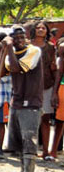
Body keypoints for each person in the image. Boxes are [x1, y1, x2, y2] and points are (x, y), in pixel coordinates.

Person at [4, 26, 43, 172]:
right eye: (16, 38)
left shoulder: (34, 51)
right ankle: (22, 171)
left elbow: (16, 68)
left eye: (22, 37)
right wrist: (5, 51)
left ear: (26, 37)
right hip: (17, 101)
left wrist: (8, 49)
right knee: (18, 140)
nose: (19, 40)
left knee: (29, 139)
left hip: (31, 101)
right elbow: (4, 71)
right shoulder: (10, 54)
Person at [30, 21, 57, 160]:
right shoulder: (28, 46)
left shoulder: (51, 47)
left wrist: (54, 91)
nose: (40, 30)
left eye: (43, 28)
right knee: (31, 120)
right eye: (38, 28)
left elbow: (54, 68)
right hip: (31, 87)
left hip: (47, 85)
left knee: (45, 119)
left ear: (47, 31)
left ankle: (46, 151)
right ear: (34, 30)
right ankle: (31, 150)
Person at [51, 39, 64, 158]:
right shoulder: (63, 47)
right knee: (60, 122)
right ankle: (54, 151)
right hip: (63, 88)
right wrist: (55, 92)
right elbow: (59, 73)